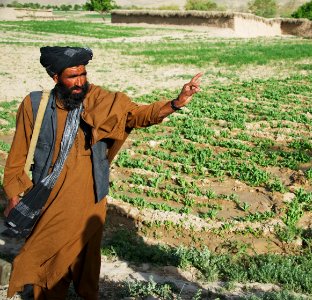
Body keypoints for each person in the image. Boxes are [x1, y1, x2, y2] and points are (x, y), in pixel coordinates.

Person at [2, 46, 202, 299]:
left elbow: (135, 115)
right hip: (49, 192)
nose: (80, 82)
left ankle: (87, 293)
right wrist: (13, 193)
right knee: (47, 252)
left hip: (89, 190)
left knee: (86, 253)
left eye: (83, 74)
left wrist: (176, 103)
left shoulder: (101, 99)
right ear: (55, 78)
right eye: (72, 77)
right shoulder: (35, 105)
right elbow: (18, 152)